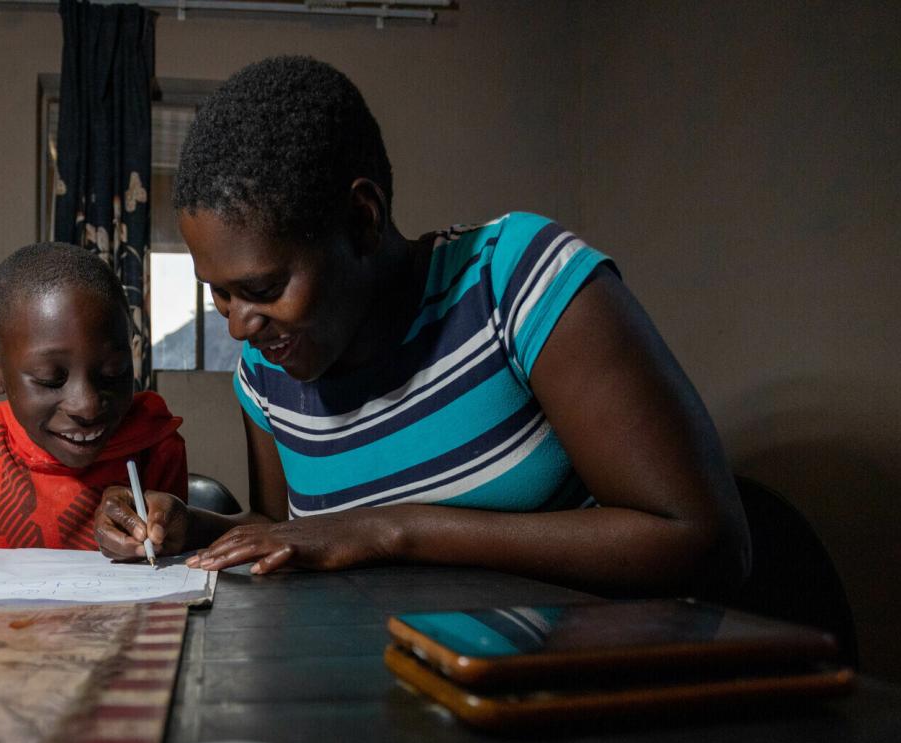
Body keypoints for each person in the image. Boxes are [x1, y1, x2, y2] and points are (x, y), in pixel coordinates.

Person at [96, 55, 750, 597]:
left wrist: (390, 530)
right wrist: (192, 528)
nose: (239, 326)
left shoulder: (514, 281)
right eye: (219, 295)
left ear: (362, 220)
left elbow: (701, 540)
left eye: (263, 289)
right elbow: (284, 528)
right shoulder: (267, 375)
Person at [0, 242, 187, 549]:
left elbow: (169, 571)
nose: (87, 406)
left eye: (113, 371)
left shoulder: (154, 443)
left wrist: (155, 537)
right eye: (51, 380)